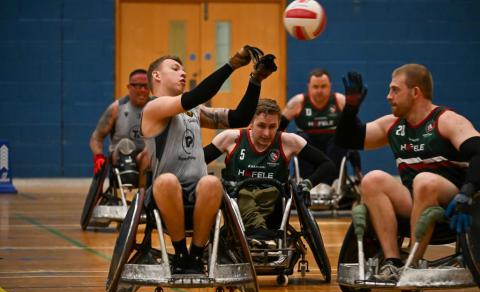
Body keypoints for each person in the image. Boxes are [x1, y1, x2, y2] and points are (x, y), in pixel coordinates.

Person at [335, 64, 480, 281]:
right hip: (416, 202)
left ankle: (412, 265)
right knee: (373, 179)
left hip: (453, 205)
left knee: (424, 180)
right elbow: (346, 140)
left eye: (395, 90)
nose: (388, 96)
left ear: (415, 92)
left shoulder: (446, 120)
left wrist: (467, 192)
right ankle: (393, 262)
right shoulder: (392, 125)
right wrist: (351, 108)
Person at [141, 46, 277, 274]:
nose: (182, 73)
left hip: (201, 196)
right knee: (166, 181)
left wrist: (256, 80)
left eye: (183, 69)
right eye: (175, 68)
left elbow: (240, 117)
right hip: (163, 198)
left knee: (213, 182)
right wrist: (232, 64)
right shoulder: (153, 107)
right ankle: (180, 253)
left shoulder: (194, 111)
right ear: (156, 75)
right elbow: (198, 94)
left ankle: (196, 255)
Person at [204, 98, 335, 247]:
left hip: (273, 205)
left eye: (272, 127)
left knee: (273, 192)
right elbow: (198, 162)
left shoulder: (288, 141)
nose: (266, 133)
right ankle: (259, 234)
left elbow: (327, 164)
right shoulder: (231, 138)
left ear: (279, 124)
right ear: (251, 123)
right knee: (243, 193)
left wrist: (307, 183)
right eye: (261, 126)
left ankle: (258, 235)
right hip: (237, 203)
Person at [279, 68, 361, 184]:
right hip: (308, 145)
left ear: (330, 86)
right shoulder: (298, 102)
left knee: (343, 138)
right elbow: (279, 129)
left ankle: (340, 181)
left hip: (333, 145)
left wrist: (357, 167)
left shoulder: (340, 100)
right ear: (309, 86)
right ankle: (307, 182)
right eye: (315, 87)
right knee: (299, 139)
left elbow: (356, 128)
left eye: (323, 86)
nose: (319, 90)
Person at [89, 69, 151, 186]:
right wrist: (98, 156)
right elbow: (96, 137)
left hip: (147, 158)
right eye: (138, 86)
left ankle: (144, 196)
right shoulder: (116, 109)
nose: (143, 90)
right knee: (125, 144)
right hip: (121, 157)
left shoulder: (158, 107)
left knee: (149, 153)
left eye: (146, 86)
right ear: (129, 87)